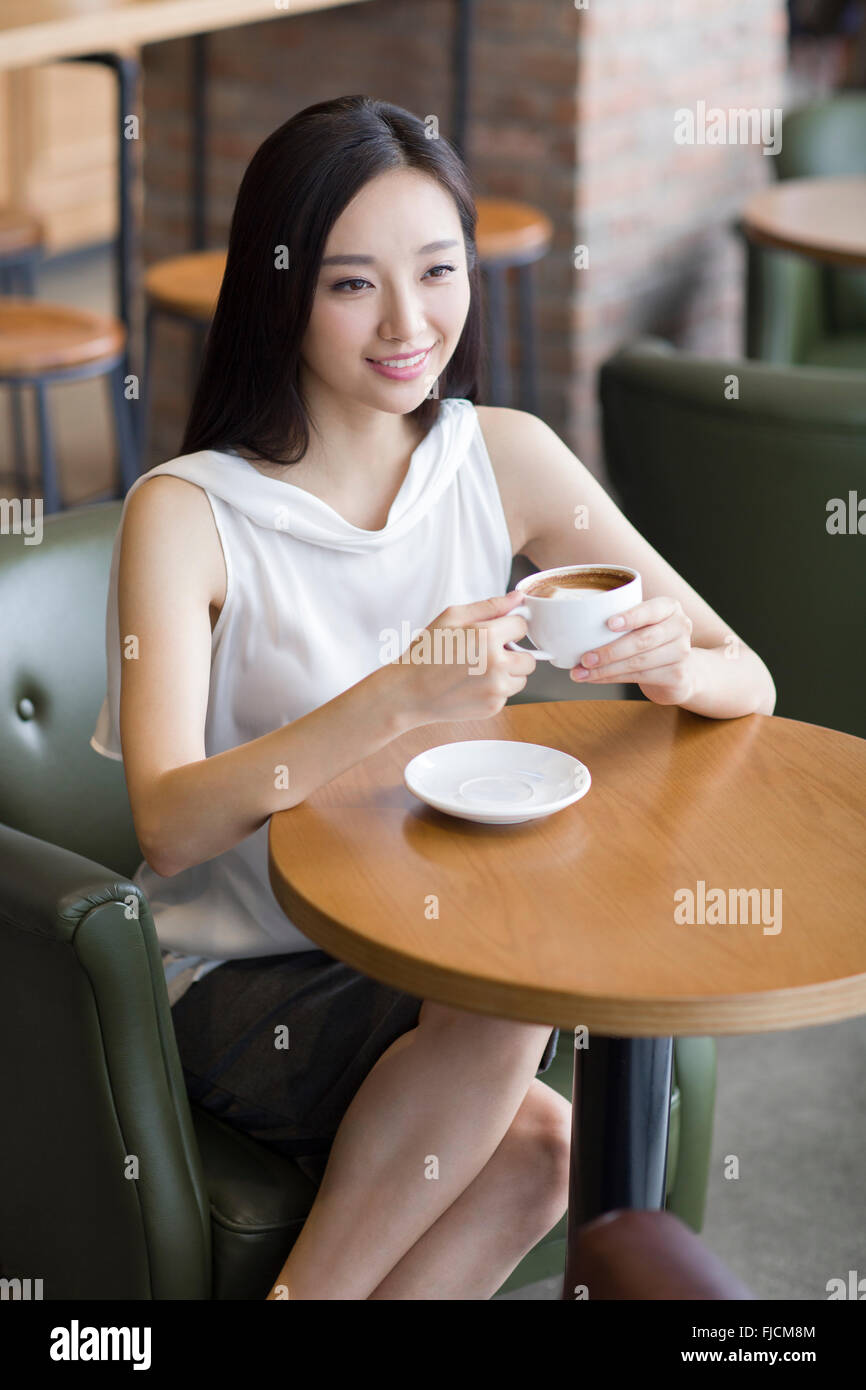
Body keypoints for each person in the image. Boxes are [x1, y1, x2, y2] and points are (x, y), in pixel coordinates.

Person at [91, 95, 775, 1301]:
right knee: (509, 1003)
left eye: (437, 270)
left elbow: (745, 676)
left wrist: (676, 662)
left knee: (545, 1147)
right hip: (241, 970)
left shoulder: (499, 456)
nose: (410, 324)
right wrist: (396, 696)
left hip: (429, 941)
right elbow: (168, 824)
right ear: (279, 290)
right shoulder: (186, 513)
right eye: (352, 284)